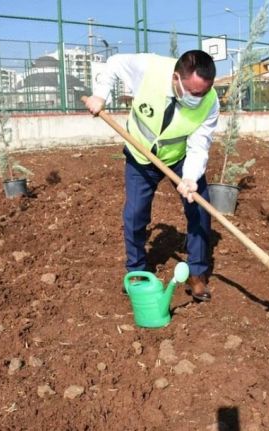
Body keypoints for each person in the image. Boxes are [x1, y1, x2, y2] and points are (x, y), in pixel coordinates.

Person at [84, 50, 219, 301]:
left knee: (200, 210)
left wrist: (190, 177)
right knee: (135, 214)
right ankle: (136, 270)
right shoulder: (149, 68)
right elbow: (113, 63)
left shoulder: (210, 102)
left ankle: (197, 274)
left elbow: (200, 144)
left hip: (179, 158)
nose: (198, 98)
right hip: (140, 155)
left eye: (203, 92)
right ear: (176, 78)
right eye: (193, 92)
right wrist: (100, 95)